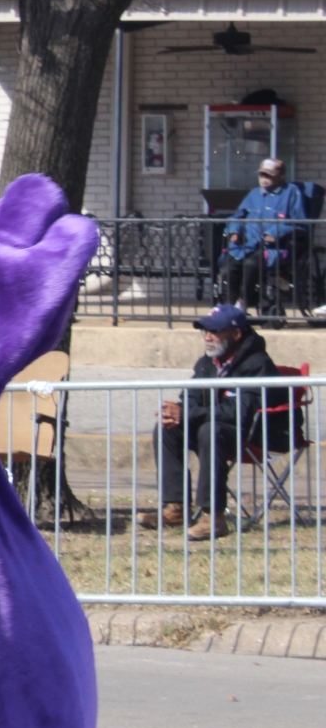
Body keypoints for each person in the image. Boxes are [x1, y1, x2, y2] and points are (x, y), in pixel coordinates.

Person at [142, 303, 291, 541]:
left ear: (237, 333)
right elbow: (190, 397)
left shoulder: (257, 364)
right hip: (219, 429)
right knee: (168, 428)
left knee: (210, 431)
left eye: (215, 331)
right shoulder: (206, 363)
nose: (207, 337)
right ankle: (176, 508)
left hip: (259, 433)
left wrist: (187, 414)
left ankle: (214, 518)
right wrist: (178, 412)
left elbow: (239, 412)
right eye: (205, 331)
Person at [221, 157, 308, 310]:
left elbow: (299, 222)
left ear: (281, 177)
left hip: (275, 246)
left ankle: (242, 303)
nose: (264, 178)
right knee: (229, 267)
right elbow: (238, 216)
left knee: (251, 265)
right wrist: (234, 230)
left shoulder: (291, 192)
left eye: (268, 175)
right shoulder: (254, 194)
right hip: (248, 244)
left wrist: (275, 232)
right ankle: (230, 308)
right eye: (261, 174)